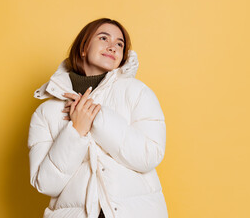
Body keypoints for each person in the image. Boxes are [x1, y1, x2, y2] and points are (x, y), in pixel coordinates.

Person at [28, 18, 168, 218]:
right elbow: (46, 183)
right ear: (83, 48)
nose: (113, 47)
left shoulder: (137, 93)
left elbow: (150, 155)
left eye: (120, 44)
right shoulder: (46, 113)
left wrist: (96, 117)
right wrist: (75, 131)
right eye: (104, 38)